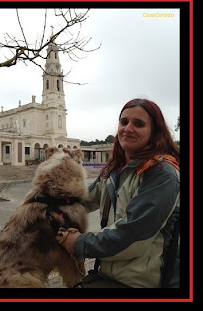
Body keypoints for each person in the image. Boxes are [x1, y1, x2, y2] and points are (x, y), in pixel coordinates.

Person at [55, 97, 180, 288]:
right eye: (124, 122)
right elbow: (83, 200)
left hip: (145, 282)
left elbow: (135, 235)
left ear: (155, 132)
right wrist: (47, 207)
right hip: (109, 275)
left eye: (138, 124)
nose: (128, 128)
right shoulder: (116, 170)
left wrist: (80, 243)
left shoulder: (162, 173)